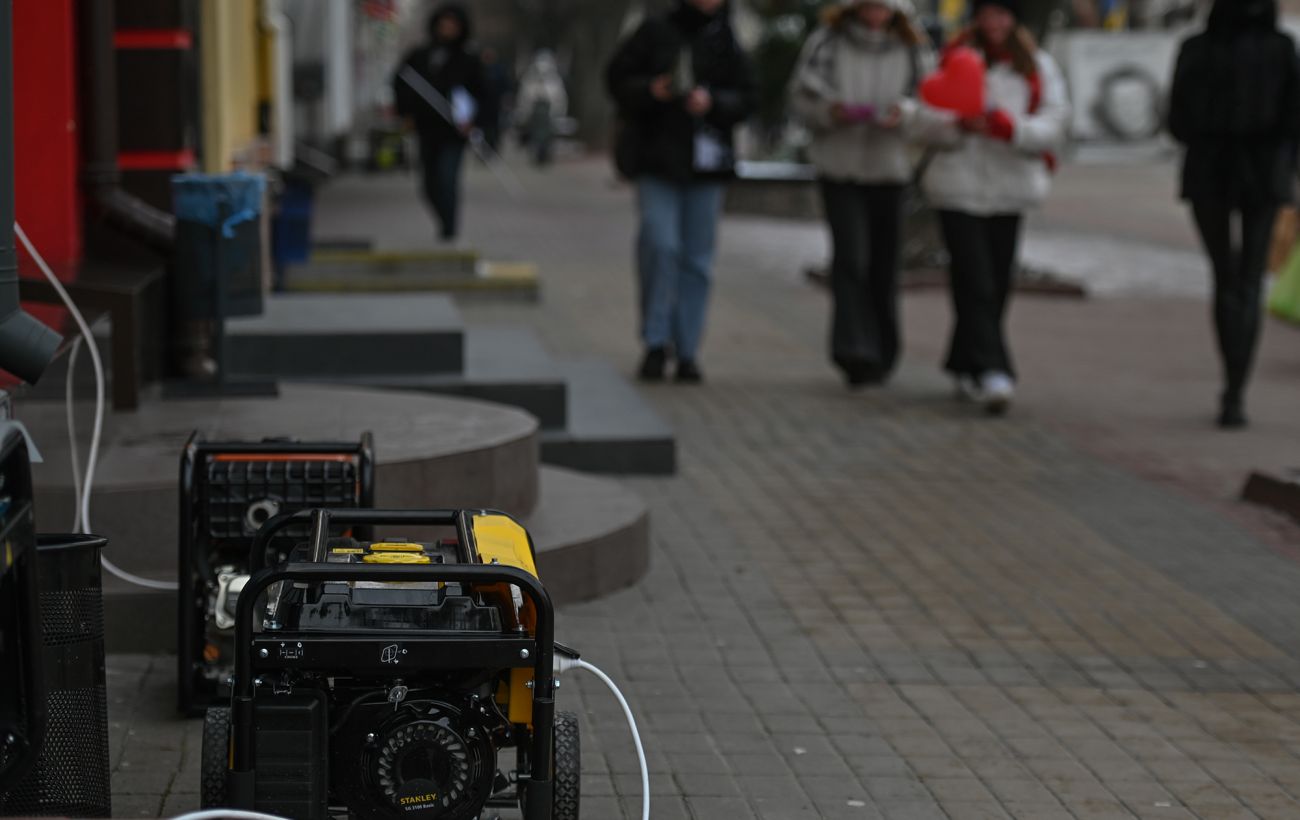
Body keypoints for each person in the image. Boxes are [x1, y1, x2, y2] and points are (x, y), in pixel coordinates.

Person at [905, 0, 1069, 415]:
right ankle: (996, 369)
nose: (994, 22)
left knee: (994, 282)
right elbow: (921, 116)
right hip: (957, 185)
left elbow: (1055, 121)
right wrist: (955, 125)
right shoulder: (951, 59)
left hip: (1009, 187)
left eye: (1002, 13)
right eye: (987, 13)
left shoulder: (1036, 66)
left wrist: (1012, 129)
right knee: (974, 277)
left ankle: (965, 363)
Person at [605, 0, 758, 384]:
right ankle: (655, 341)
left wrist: (714, 103)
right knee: (660, 245)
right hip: (657, 158)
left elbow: (748, 96)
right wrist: (651, 90)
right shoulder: (655, 30)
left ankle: (688, 348)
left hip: (706, 165)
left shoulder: (727, 37)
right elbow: (617, 80)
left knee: (698, 260)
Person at [1168, 0, 1300, 429]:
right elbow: (1293, 120)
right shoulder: (1279, 48)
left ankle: (1233, 385)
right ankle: (1235, 388)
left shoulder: (1197, 48)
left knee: (1226, 278)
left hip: (1211, 169)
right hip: (1261, 174)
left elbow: (1177, 121)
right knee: (1245, 281)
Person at [789, 0, 932, 388]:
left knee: (885, 263)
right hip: (841, 166)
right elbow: (802, 99)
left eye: (883, 7)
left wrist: (904, 114)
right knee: (851, 258)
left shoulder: (911, 46)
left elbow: (928, 101)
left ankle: (884, 350)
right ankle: (853, 348)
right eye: (868, 6)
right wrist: (831, 112)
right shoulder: (827, 43)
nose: (875, 14)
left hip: (890, 168)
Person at [393, 3, 485, 242]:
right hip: (427, 130)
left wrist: (475, 121)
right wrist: (406, 113)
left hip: (453, 133)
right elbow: (400, 84)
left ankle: (450, 229)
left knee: (447, 178)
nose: (447, 28)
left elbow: (483, 94)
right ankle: (444, 220)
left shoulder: (468, 60)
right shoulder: (420, 56)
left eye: (452, 25)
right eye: (444, 23)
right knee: (428, 184)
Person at [516, 51, 569, 166]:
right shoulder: (529, 80)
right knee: (536, 137)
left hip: (548, 115)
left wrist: (558, 112)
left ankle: (545, 155)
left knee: (547, 138)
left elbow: (560, 98)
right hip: (535, 115)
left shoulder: (555, 81)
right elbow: (524, 97)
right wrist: (525, 112)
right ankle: (537, 155)